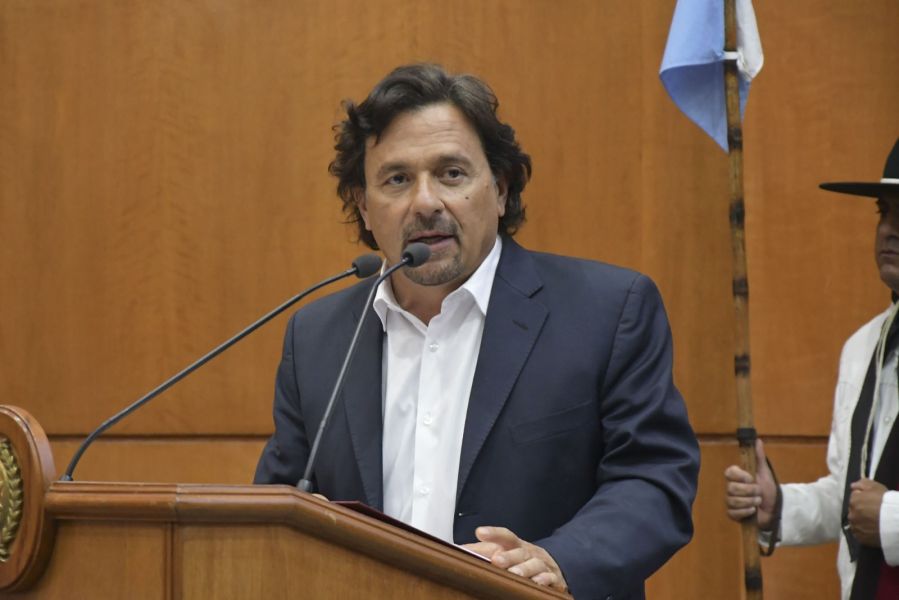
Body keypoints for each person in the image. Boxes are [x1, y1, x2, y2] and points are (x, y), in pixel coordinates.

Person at [255, 63, 699, 599]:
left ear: (501, 189)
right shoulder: (318, 337)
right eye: (397, 180)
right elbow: (280, 505)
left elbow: (654, 479)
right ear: (363, 207)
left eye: (451, 174)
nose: (425, 202)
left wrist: (560, 561)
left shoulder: (606, 311)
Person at [724, 138, 899, 600]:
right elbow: (851, 500)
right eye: (884, 212)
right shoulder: (864, 347)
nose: (889, 231)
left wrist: (890, 518)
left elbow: (876, 512)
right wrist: (779, 506)